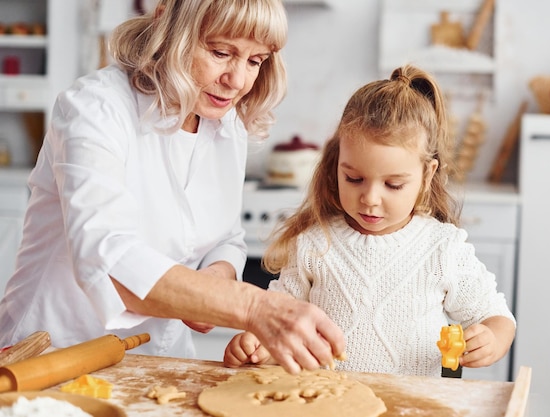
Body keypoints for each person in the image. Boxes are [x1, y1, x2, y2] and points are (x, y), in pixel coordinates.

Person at [0, 0, 344, 375]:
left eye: (255, 60)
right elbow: (109, 262)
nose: (238, 80)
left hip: (160, 361)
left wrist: (216, 279)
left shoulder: (226, 123)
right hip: (50, 354)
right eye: (220, 52)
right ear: (169, 27)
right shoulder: (95, 108)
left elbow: (226, 237)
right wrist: (251, 306)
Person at [223, 64, 516, 377]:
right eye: (354, 178)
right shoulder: (314, 243)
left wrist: (492, 338)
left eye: (393, 185)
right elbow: (278, 325)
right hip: (327, 406)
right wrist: (260, 346)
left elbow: (497, 317)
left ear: (427, 175)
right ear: (336, 166)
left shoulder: (442, 248)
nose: (370, 198)